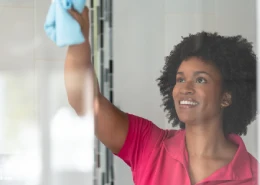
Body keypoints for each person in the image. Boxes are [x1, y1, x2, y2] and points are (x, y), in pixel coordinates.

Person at [65, 7, 258, 185]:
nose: (185, 88)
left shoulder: (253, 175)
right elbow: (86, 103)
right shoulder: (148, 144)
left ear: (226, 97)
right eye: (180, 79)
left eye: (200, 80)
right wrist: (78, 41)